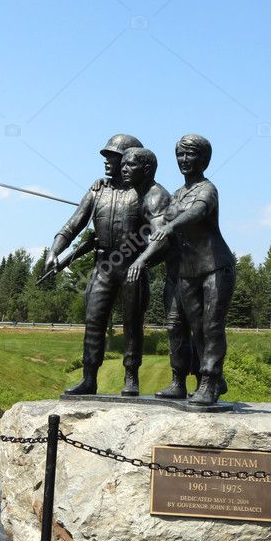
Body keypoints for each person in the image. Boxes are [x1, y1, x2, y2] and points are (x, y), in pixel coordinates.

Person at [129, 134, 234, 405]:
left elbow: (197, 213)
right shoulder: (176, 196)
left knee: (209, 327)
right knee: (180, 325)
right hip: (187, 271)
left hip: (215, 267)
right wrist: (145, 246)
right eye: (181, 155)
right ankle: (179, 381)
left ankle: (210, 381)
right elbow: (159, 227)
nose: (185, 160)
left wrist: (171, 225)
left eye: (191, 155)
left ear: (204, 160)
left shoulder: (206, 190)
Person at [44, 134, 149, 396]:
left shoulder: (143, 192)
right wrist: (54, 251)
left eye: (113, 157)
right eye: (106, 156)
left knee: (132, 324)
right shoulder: (97, 190)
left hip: (131, 266)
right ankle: (88, 378)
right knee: (94, 322)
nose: (107, 161)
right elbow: (73, 224)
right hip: (102, 266)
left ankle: (131, 378)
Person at [119, 147, 196, 399]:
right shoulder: (140, 193)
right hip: (177, 269)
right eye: (122, 165)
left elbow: (161, 238)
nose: (123, 169)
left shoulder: (154, 197)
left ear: (147, 170)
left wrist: (141, 261)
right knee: (177, 326)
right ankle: (189, 381)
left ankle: (208, 378)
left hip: (185, 269)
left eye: (129, 165)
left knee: (182, 326)